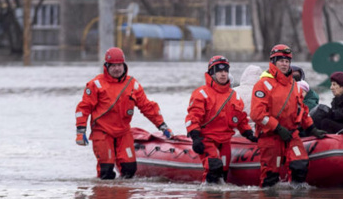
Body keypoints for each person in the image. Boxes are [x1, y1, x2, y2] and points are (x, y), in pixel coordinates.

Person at [75, 47, 174, 180]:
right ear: (107, 66)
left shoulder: (132, 84)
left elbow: (147, 107)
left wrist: (162, 126)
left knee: (130, 169)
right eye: (113, 66)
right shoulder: (96, 85)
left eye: (119, 65)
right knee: (106, 171)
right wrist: (81, 131)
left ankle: (121, 198)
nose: (117, 69)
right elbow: (83, 108)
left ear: (124, 65)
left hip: (123, 132)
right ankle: (103, 198)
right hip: (102, 132)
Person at [250, 44, 327, 187]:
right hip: (270, 137)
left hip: (291, 135)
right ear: (273, 62)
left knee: (300, 165)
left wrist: (312, 128)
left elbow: (302, 110)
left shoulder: (294, 85)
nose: (284, 64)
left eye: (287, 61)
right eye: (281, 61)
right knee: (270, 176)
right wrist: (278, 128)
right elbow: (257, 114)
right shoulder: (263, 85)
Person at [185, 55, 258, 183]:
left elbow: (240, 119)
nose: (223, 74)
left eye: (225, 71)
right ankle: (208, 198)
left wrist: (249, 133)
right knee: (214, 167)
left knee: (223, 171)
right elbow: (193, 117)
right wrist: (195, 137)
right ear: (212, 73)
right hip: (207, 139)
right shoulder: (201, 94)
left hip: (225, 141)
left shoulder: (233, 95)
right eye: (219, 71)